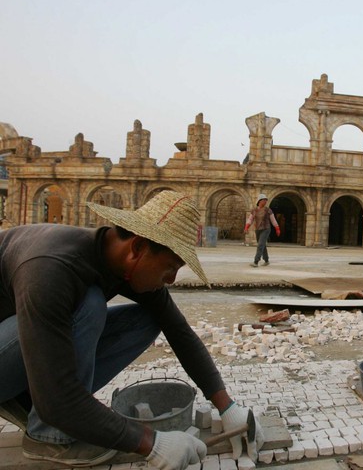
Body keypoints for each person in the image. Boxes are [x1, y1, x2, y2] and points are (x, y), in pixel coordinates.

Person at [0, 191, 264, 469]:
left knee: (148, 319)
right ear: (138, 248)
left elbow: (178, 330)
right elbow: (57, 402)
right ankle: (49, 438)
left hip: (23, 354)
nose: (171, 280)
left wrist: (227, 406)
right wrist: (150, 443)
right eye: (170, 268)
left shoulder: (119, 260)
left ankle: (28, 400)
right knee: (89, 305)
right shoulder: (52, 269)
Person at [244, 193, 280, 267]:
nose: (266, 201)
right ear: (259, 201)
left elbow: (273, 220)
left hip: (266, 229)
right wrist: (246, 227)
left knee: (260, 244)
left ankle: (256, 261)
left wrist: (277, 228)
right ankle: (266, 260)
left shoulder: (268, 210)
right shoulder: (254, 210)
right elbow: (250, 219)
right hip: (258, 229)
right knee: (262, 245)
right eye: (264, 200)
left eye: (266, 200)